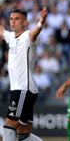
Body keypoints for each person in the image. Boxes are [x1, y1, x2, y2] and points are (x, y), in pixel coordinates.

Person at [0, 8, 48, 141]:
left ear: (25, 22)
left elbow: (35, 33)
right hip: (22, 89)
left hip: (23, 88)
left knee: (9, 126)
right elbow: (2, 31)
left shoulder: (27, 36)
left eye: (17, 19)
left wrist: (41, 22)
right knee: (23, 132)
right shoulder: (10, 37)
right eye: (11, 19)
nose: (13, 22)